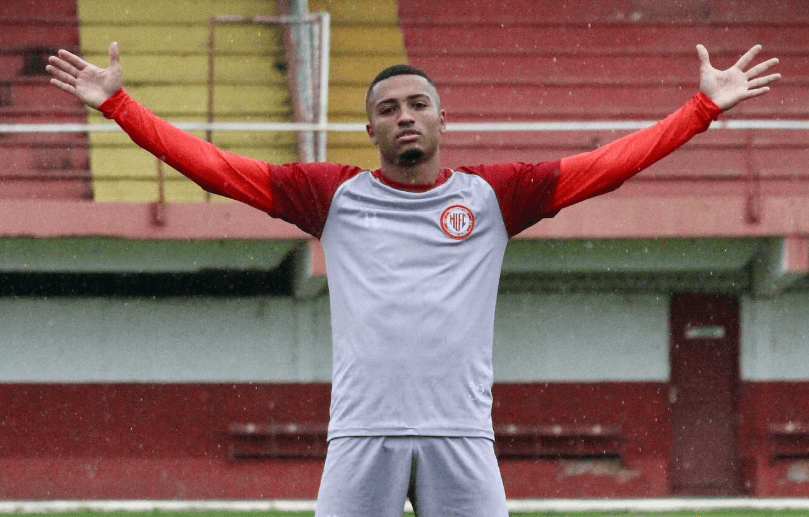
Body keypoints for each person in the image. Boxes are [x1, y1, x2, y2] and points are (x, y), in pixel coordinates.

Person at [47, 42, 779, 516]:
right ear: (368, 129)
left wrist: (702, 108)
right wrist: (119, 105)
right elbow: (213, 166)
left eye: (417, 105)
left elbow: (607, 165)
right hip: (361, 434)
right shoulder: (330, 194)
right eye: (387, 109)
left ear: (441, 119)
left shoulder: (494, 195)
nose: (404, 117)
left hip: (460, 433)